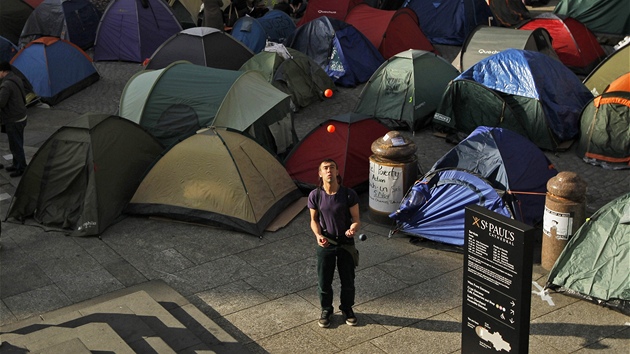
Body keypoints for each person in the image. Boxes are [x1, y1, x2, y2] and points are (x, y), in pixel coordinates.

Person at [308, 158, 361, 328]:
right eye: (325, 168)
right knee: (324, 281)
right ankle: (326, 310)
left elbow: (356, 219)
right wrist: (317, 235)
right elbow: (313, 220)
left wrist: (352, 229)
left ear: (337, 172)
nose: (329, 170)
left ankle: (347, 308)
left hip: (346, 244)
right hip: (326, 244)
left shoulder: (348, 194)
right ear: (320, 173)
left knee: (348, 280)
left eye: (332, 167)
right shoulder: (315, 195)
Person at [0, 61, 27, 177]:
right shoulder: (16, 78)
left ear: (3, 71)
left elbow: (1, 103)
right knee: (17, 143)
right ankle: (16, 164)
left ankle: (21, 168)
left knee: (16, 145)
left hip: (13, 118)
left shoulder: (6, 85)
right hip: (21, 115)